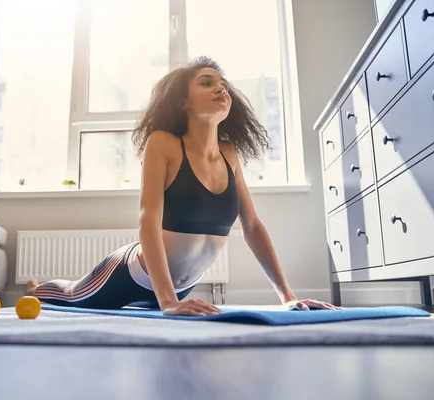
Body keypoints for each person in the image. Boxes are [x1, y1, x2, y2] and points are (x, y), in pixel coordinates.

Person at [26, 56, 338, 316]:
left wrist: (288, 296)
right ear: (184, 102)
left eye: (224, 85)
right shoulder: (164, 143)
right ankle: (36, 288)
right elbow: (148, 218)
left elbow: (252, 226)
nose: (221, 89)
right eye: (207, 82)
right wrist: (167, 303)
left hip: (182, 286)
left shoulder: (229, 155)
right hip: (130, 275)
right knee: (69, 294)